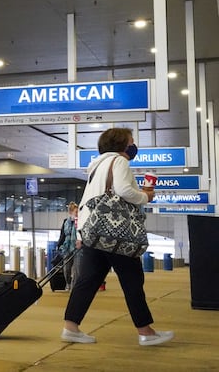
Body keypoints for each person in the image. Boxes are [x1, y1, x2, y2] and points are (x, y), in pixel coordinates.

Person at [61, 127, 174, 346]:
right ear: (122, 144)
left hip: (93, 231)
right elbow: (123, 191)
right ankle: (145, 332)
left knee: (88, 280)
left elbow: (88, 201)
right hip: (116, 234)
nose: (133, 146)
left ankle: (71, 327)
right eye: (131, 141)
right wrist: (145, 196)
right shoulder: (119, 161)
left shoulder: (96, 166)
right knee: (132, 280)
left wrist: (82, 233)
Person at [57, 202, 78, 290]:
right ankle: (68, 282)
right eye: (76, 212)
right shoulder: (66, 222)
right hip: (67, 247)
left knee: (77, 269)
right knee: (67, 269)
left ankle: (74, 286)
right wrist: (59, 245)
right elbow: (63, 234)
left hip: (77, 248)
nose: (77, 213)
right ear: (71, 212)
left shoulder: (79, 221)